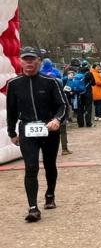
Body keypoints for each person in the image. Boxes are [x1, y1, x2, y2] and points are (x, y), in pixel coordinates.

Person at [5, 47, 68, 222]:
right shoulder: (14, 84)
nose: (29, 62)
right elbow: (11, 111)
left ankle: (50, 195)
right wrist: (12, 132)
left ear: (39, 61)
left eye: (32, 59)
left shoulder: (51, 82)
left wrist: (57, 119)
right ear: (20, 61)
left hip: (48, 128)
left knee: (49, 164)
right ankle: (33, 208)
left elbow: (63, 105)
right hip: (27, 129)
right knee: (31, 167)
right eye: (26, 59)